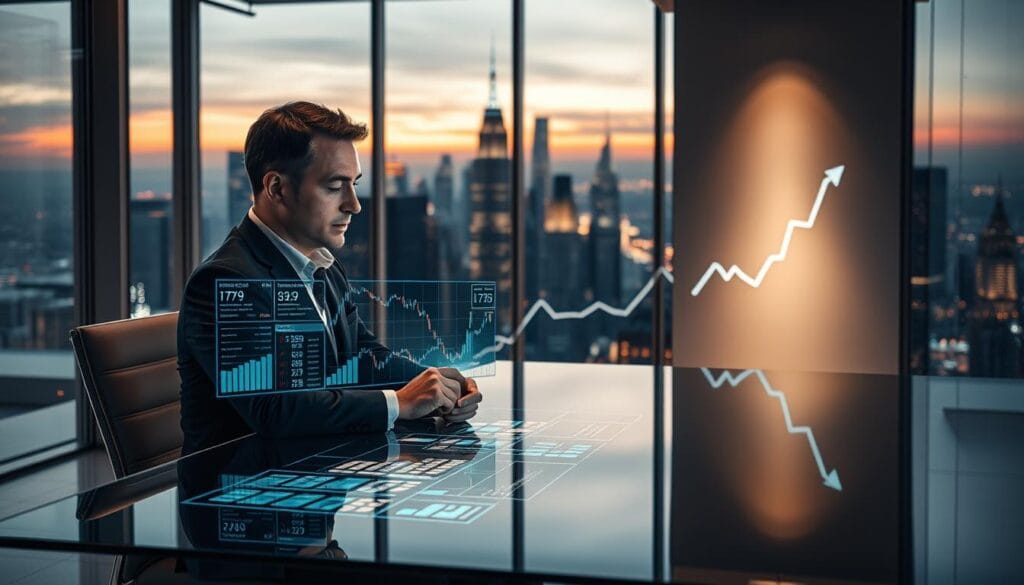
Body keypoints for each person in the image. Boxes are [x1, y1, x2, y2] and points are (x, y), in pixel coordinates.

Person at [177, 101, 481, 453]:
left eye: (354, 184)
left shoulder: (321, 266)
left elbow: (361, 356)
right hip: (240, 492)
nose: (354, 204)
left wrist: (434, 382)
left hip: (311, 473)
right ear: (276, 188)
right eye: (336, 186)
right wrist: (400, 403)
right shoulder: (225, 282)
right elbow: (274, 409)